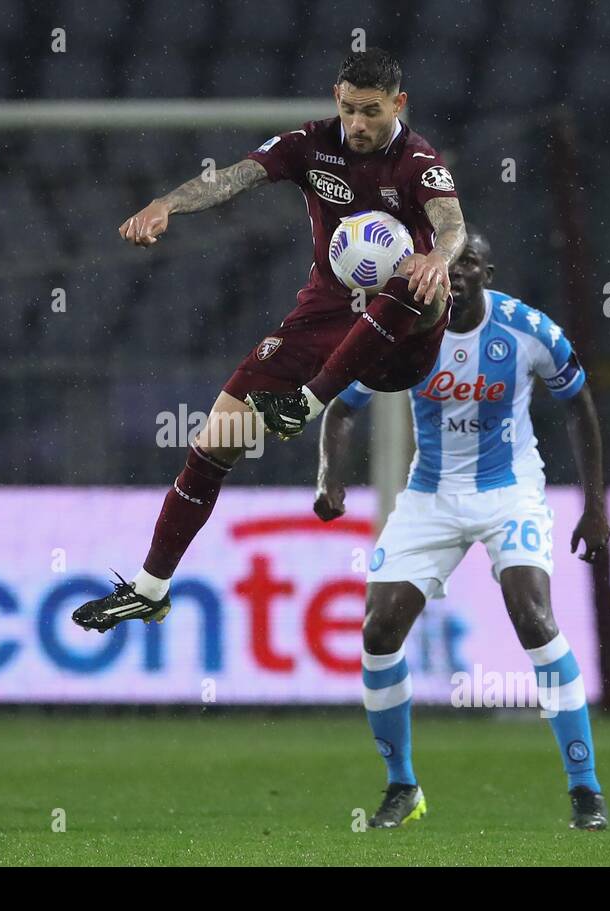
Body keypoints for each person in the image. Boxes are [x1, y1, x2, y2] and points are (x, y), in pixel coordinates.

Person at [74, 48, 467, 631]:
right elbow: (231, 179)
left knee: (423, 280)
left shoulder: (417, 160)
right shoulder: (309, 145)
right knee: (214, 443)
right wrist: (167, 205)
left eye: (373, 113)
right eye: (350, 109)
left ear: (399, 105)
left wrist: (439, 255)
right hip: (326, 319)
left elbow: (453, 222)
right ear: (337, 96)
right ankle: (150, 588)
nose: (358, 125)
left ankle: (306, 403)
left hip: (402, 334)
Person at [315, 231, 610, 830]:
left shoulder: (528, 330)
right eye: (447, 262)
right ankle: (402, 788)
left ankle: (586, 790)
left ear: (486, 271)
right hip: (430, 494)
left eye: (468, 260)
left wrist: (595, 504)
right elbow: (341, 409)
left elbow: (578, 404)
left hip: (510, 491)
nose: (457, 271)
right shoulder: (398, 335)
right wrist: (330, 479)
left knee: (535, 619)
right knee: (378, 631)